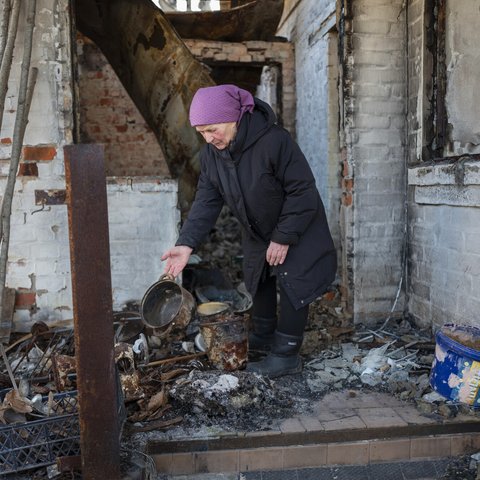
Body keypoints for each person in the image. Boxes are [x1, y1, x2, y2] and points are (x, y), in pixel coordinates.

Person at [161, 84, 337, 378]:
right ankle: (265, 337)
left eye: (212, 129)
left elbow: (302, 191)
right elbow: (206, 200)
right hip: (257, 229)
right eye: (201, 132)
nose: (208, 138)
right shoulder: (212, 155)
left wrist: (283, 237)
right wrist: (186, 244)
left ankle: (286, 355)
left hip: (297, 225)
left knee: (295, 284)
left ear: (235, 117)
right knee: (259, 279)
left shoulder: (274, 141)